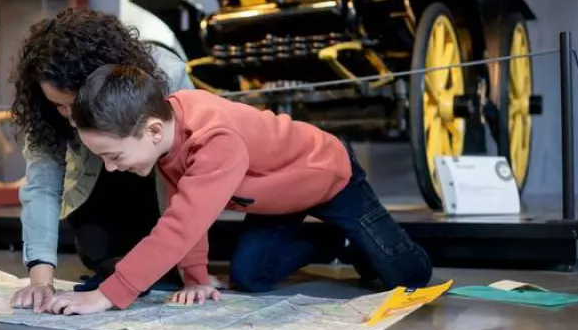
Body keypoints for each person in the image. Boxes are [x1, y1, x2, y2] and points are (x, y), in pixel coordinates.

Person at [44, 63, 433, 315]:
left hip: (329, 176)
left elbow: (181, 225)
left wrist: (108, 294)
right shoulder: (166, 133)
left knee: (407, 275)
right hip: (276, 198)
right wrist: (196, 277)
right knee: (250, 277)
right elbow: (183, 202)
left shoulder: (214, 140)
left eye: (113, 155)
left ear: (153, 131)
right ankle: (340, 242)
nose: (110, 168)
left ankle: (363, 238)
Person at [8, 7, 195, 313]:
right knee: (107, 259)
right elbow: (42, 187)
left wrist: (191, 268)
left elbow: (192, 171)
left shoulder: (167, 73)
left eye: (75, 105)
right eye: (59, 106)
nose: (70, 119)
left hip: (160, 186)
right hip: (98, 193)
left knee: (170, 268)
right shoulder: (45, 108)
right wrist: (40, 281)